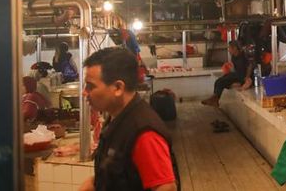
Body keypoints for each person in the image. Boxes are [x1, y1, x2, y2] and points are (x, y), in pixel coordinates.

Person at [78, 47, 178, 191]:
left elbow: (166, 187)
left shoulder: (143, 132)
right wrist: (94, 183)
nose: (84, 93)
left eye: (90, 86)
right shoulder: (116, 119)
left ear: (118, 88)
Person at [202, 40, 250, 107]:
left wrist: (247, 78)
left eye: (230, 48)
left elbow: (249, 66)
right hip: (237, 75)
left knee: (221, 81)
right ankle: (215, 98)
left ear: (235, 48)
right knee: (219, 81)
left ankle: (215, 99)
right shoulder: (234, 56)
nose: (229, 50)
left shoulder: (243, 56)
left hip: (242, 77)